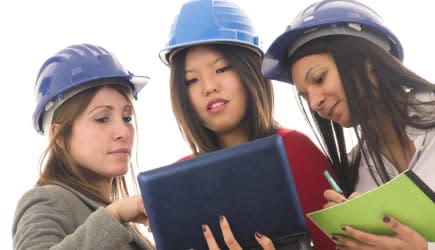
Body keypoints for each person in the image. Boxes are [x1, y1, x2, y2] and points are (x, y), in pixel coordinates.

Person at [159, 0, 337, 249]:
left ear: (251, 71)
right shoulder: (178, 181)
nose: (209, 86)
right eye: (191, 80)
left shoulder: (295, 150)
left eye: (221, 69)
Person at [262, 0, 435, 249]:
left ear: (367, 60)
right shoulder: (356, 175)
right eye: (305, 95)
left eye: (319, 78)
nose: (315, 103)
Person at [12, 43, 155, 250]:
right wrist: (115, 215)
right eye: (102, 118)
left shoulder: (119, 217)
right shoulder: (47, 200)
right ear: (58, 135)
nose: (123, 132)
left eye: (126, 117)